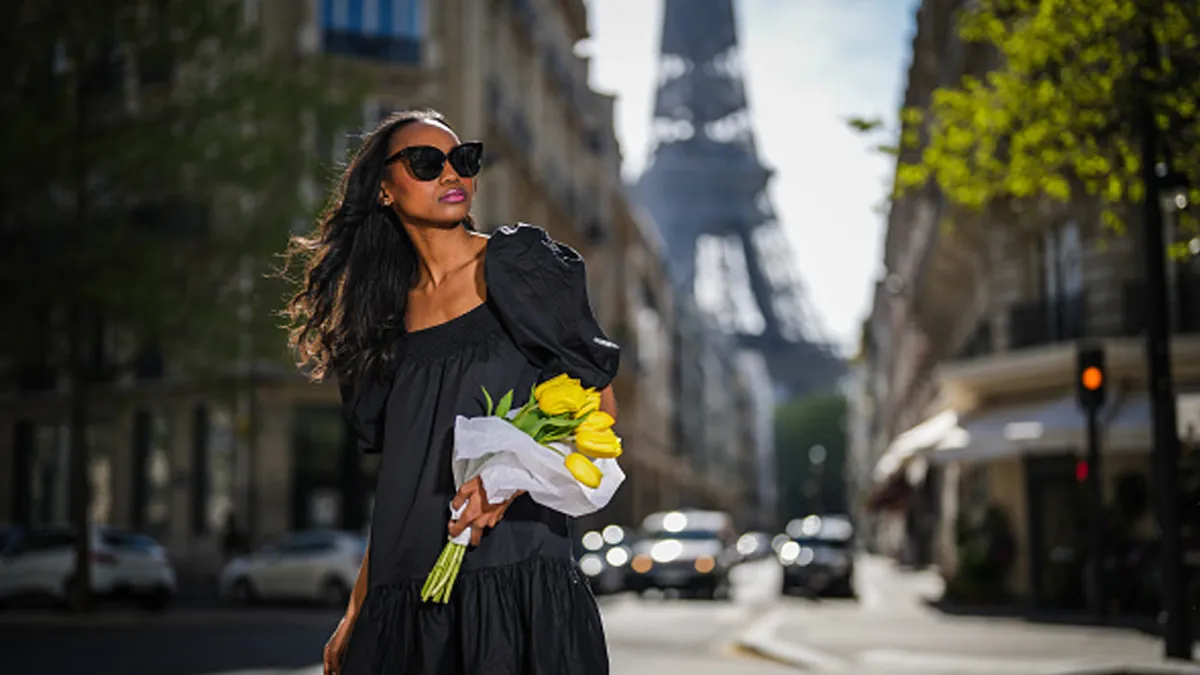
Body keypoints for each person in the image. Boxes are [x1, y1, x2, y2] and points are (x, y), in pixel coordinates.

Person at [283, 109, 620, 675]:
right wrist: (356, 609)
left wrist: (510, 480)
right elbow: (399, 486)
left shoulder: (517, 267)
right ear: (385, 190)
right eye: (425, 162)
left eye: (463, 160)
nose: (451, 174)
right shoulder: (379, 318)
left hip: (514, 581)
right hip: (407, 598)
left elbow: (600, 412)